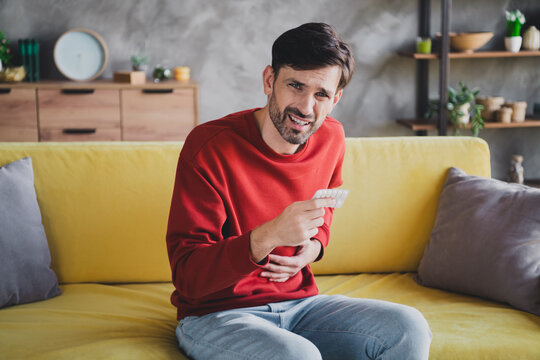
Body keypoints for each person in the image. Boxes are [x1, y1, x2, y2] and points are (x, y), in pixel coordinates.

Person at [166, 22, 432, 360]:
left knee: (408, 326)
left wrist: (315, 246)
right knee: (298, 356)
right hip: (217, 315)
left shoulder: (331, 137)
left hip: (301, 305)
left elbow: (326, 206)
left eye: (321, 94)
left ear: (335, 98)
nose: (306, 107)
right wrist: (268, 235)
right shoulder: (209, 147)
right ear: (269, 81)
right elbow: (188, 276)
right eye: (295, 86)